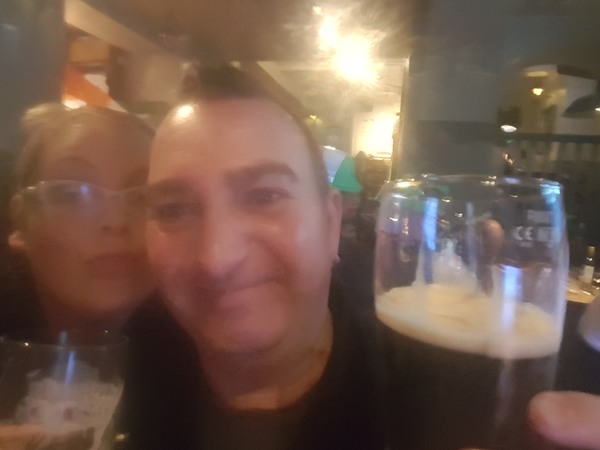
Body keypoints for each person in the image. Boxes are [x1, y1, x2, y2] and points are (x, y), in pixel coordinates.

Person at [144, 64, 600, 449]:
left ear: (331, 224)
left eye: (264, 197)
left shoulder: (427, 394)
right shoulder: (121, 370)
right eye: (175, 209)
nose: (216, 258)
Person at [2, 103, 156, 333]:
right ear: (21, 221)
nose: (116, 222)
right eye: (73, 195)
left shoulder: (201, 340)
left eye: (142, 198)